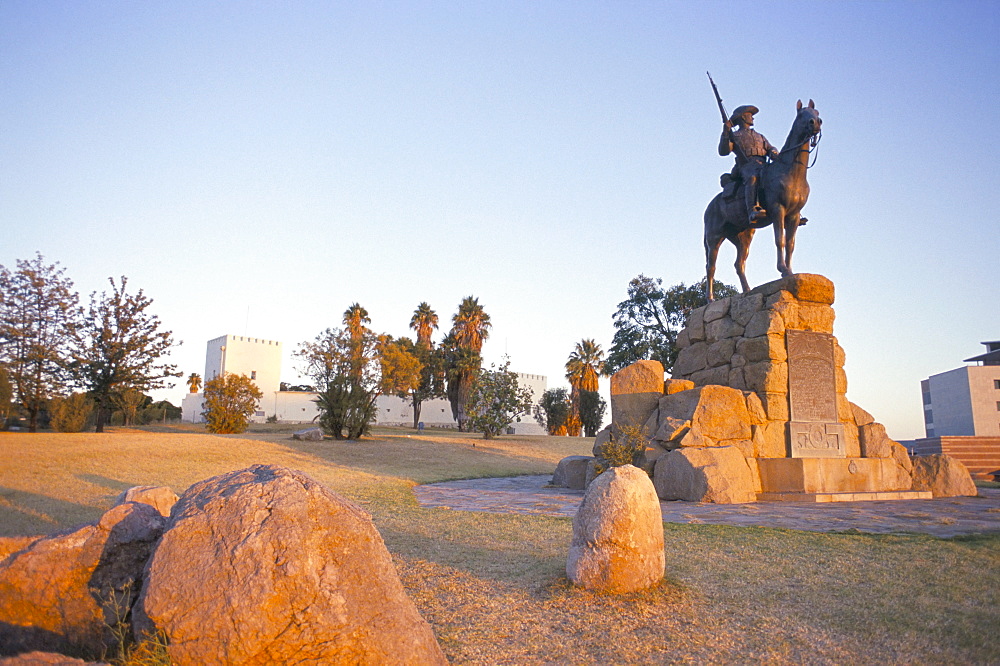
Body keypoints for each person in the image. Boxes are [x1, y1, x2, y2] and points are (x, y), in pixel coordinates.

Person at [719, 105, 779, 225]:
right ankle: (752, 209)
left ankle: (790, 208)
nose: (753, 118)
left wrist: (773, 152)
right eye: (750, 115)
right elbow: (723, 151)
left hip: (762, 163)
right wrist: (725, 133)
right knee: (753, 177)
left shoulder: (760, 136)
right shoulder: (735, 136)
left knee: (780, 177)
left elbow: (770, 147)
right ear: (743, 117)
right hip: (746, 165)